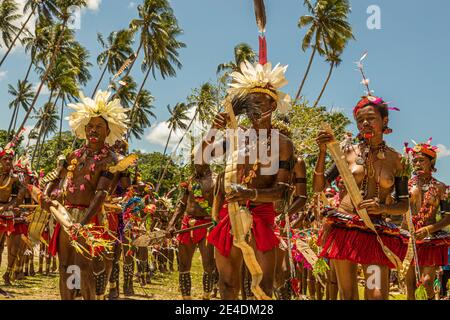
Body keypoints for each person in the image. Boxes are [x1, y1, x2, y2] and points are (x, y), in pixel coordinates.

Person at [203, 60, 294, 299]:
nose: (254, 108)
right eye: (250, 103)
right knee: (227, 284)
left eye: (260, 102)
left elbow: (281, 191)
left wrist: (250, 194)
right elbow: (201, 160)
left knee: (263, 288)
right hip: (229, 214)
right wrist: (212, 131)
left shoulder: (283, 145)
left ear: (272, 105)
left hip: (262, 215)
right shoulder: (237, 137)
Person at [313, 95, 409, 300]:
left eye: (371, 118)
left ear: (385, 121)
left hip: (375, 233)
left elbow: (403, 204)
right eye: (360, 120)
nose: (365, 123)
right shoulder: (346, 153)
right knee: (348, 295)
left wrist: (382, 208)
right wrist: (322, 153)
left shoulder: (397, 160)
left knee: (376, 295)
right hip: (344, 229)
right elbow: (319, 186)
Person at [42, 90, 129, 300]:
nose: (93, 130)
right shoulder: (74, 155)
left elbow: (100, 193)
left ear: (108, 131)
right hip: (66, 216)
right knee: (66, 266)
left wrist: (83, 223)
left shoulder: (110, 159)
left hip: (90, 219)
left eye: (99, 126)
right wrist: (45, 195)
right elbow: (55, 177)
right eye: (90, 126)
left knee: (84, 267)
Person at [403, 140, 450, 299]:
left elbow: (448, 219)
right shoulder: (406, 185)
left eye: (421, 160)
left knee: (427, 281)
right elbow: (397, 210)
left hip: (430, 240)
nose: (417, 164)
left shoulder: (441, 187)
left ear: (431, 162)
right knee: (410, 285)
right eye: (414, 160)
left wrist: (428, 229)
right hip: (408, 239)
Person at [166, 164, 216, 300]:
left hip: (207, 225)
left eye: (199, 163)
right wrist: (171, 224)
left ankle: (206, 297)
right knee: (183, 264)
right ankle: (186, 299)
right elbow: (182, 204)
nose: (196, 166)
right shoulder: (191, 181)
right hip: (187, 224)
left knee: (209, 265)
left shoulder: (216, 181)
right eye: (195, 162)